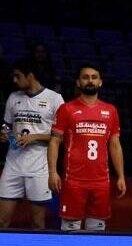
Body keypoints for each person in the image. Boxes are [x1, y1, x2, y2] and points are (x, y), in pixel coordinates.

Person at [48, 63, 126, 231]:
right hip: (73, 180)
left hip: (101, 181)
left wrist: (121, 175)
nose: (90, 81)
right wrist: (52, 172)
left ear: (100, 82)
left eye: (94, 77)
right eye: (85, 77)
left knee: (97, 231)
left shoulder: (110, 110)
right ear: (78, 82)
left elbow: (115, 145)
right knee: (70, 230)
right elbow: (54, 141)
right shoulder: (66, 109)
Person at [0, 58, 64, 229]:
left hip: (39, 167)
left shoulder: (54, 99)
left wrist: (35, 137)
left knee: (38, 223)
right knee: (2, 221)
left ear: (30, 76)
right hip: (13, 165)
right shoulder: (13, 97)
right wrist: (4, 134)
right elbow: (7, 125)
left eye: (18, 76)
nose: (15, 80)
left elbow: (64, 137)